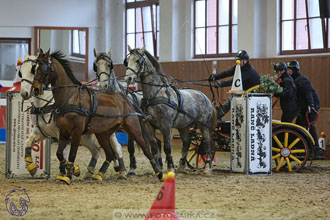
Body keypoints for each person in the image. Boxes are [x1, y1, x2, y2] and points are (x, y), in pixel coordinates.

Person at [286, 60, 323, 159]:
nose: (288, 71)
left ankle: (315, 149)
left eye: (289, 70)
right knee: (302, 126)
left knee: (309, 125)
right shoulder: (294, 79)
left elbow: (308, 93)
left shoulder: (302, 80)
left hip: (310, 106)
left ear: (294, 70)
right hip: (304, 106)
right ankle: (305, 148)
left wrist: (311, 105)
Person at [208, 50, 260, 118]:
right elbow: (227, 73)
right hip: (245, 91)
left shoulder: (248, 71)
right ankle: (220, 112)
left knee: (234, 96)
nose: (237, 62)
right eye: (237, 60)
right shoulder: (239, 66)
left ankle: (220, 113)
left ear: (245, 61)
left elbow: (235, 81)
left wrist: (221, 84)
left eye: (239, 60)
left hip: (253, 93)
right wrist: (215, 77)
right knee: (234, 95)